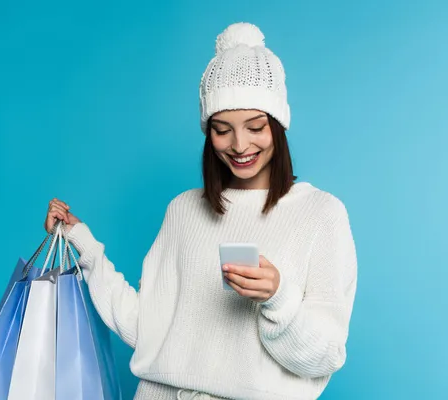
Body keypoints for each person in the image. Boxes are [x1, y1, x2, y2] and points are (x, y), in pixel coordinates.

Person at [44, 22, 358, 400]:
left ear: (278, 125)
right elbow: (147, 329)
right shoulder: (184, 210)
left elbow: (323, 357)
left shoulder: (321, 214)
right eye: (222, 129)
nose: (240, 144)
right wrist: (83, 242)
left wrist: (278, 297)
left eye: (256, 126)